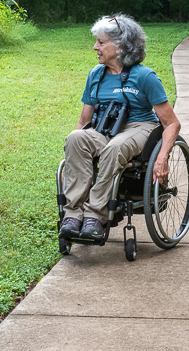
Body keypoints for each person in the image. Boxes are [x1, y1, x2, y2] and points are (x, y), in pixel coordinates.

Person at [59, 14, 181, 241]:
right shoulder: (95, 75)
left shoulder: (145, 76)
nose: (95, 47)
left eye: (101, 42)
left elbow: (171, 123)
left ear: (121, 45)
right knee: (75, 138)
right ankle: (73, 215)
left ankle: (95, 215)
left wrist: (162, 156)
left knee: (116, 147)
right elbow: (84, 122)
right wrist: (71, 158)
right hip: (104, 127)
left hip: (140, 126)